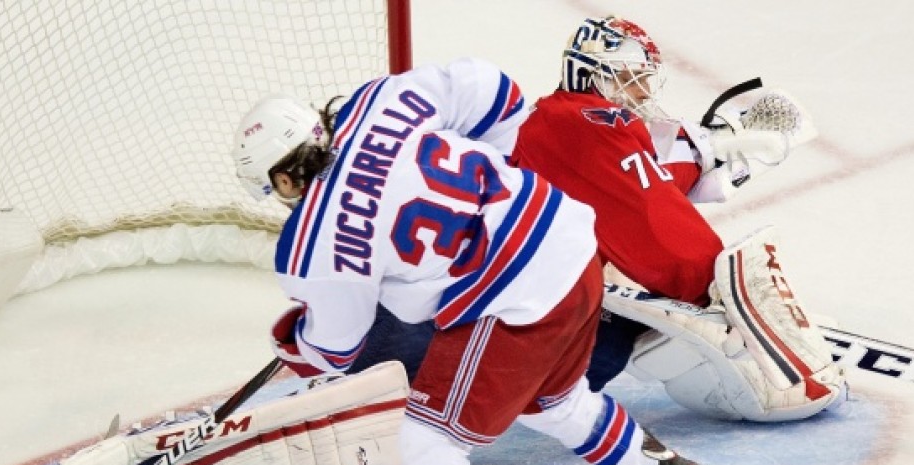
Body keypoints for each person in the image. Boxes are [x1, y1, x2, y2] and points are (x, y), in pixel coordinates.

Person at [232, 58, 740, 465]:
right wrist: (499, 183)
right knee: (552, 401)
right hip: (570, 236)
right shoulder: (378, 101)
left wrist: (294, 340)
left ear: (284, 178)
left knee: (430, 438)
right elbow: (498, 94)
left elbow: (336, 349)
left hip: (511, 294)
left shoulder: (313, 237)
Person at [349, 15, 847, 424]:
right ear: (593, 72)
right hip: (440, 297)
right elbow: (648, 213)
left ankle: (405, 381)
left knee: (605, 342)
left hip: (440, 278)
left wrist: (712, 153)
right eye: (631, 77)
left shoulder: (569, 125)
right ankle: (386, 389)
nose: (641, 90)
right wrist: (708, 286)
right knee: (564, 343)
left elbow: (637, 179)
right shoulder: (589, 123)